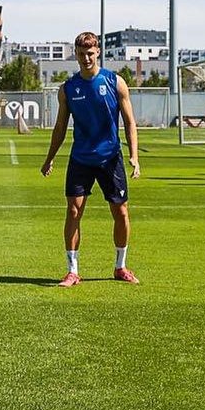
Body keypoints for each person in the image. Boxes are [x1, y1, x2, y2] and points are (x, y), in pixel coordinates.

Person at [41, 31, 141, 287]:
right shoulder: (68, 88)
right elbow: (60, 127)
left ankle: (120, 266)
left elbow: (129, 122)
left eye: (90, 53)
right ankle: (73, 271)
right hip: (81, 159)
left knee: (121, 212)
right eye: (81, 54)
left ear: (98, 53)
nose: (86, 58)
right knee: (74, 211)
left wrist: (134, 156)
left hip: (110, 157)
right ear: (75, 54)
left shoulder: (115, 82)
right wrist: (49, 158)